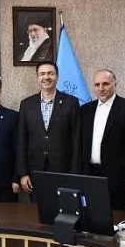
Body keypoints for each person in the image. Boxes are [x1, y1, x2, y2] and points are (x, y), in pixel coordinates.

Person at [80, 70, 125, 211]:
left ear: (114, 84)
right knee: (92, 214)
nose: (101, 88)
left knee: (119, 217)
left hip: (119, 177)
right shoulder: (86, 110)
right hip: (90, 174)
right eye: (97, 84)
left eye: (105, 84)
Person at [16, 61, 81, 196]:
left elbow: (77, 139)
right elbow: (22, 140)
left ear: (57, 76)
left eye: (50, 73)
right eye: (42, 74)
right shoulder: (26, 104)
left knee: (62, 207)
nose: (46, 77)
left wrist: (75, 174)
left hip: (63, 170)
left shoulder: (71, 102)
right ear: (37, 77)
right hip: (34, 171)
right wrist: (22, 173)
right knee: (37, 207)